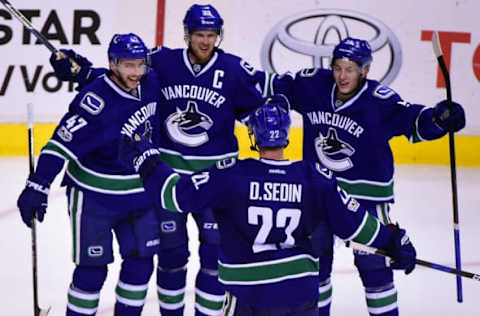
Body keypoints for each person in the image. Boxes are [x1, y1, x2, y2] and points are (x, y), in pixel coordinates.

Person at [50, 4, 266, 316]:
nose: (205, 41)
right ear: (187, 34)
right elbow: (127, 73)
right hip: (169, 182)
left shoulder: (233, 69)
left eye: (210, 34)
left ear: (218, 35)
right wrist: (84, 74)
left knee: (216, 255)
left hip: (216, 182)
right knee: (171, 256)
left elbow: (257, 116)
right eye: (198, 34)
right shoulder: (162, 61)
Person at [118, 95, 417, 316]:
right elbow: (357, 226)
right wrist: (394, 240)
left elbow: (173, 195)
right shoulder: (315, 177)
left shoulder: (230, 175)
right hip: (300, 295)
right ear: (287, 135)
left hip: (249, 296)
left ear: (253, 136)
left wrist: (146, 159)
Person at [254, 37, 466, 316]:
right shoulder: (313, 84)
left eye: (350, 69)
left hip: (367, 197)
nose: (342, 76)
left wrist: (439, 120)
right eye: (338, 67)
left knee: (374, 268)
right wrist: (276, 97)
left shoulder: (379, 102)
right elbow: (272, 85)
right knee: (315, 266)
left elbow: (414, 122)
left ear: (365, 71)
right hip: (319, 192)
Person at [17, 33, 162, 316]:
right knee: (91, 272)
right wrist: (38, 184)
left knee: (141, 264)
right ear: (113, 64)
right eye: (127, 66)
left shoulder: (152, 81)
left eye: (139, 65)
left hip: (139, 195)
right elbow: (60, 143)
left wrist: (85, 72)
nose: (135, 73)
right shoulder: (94, 101)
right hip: (95, 198)